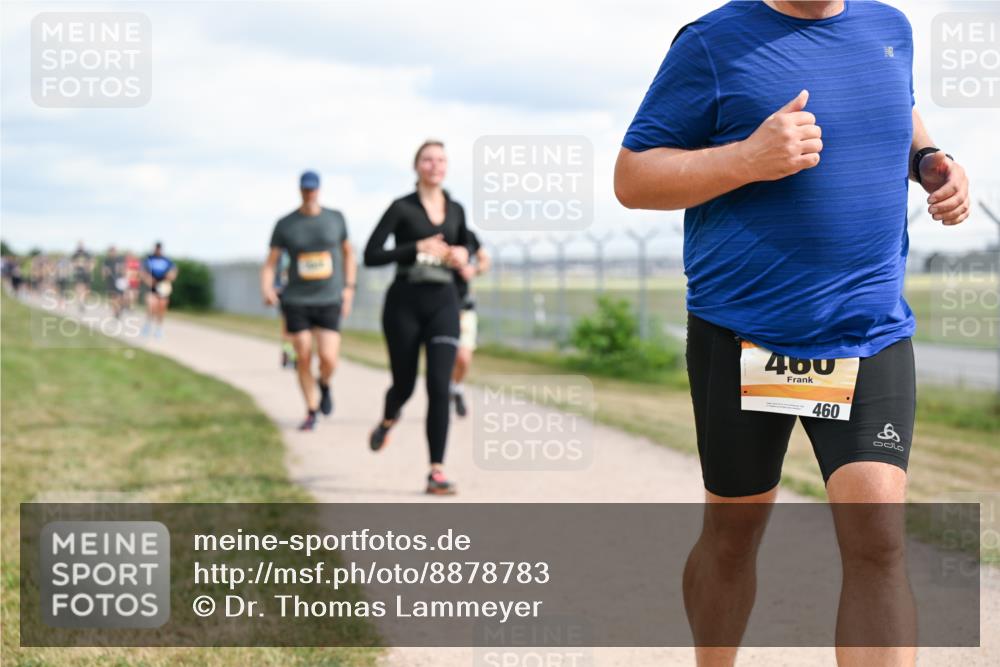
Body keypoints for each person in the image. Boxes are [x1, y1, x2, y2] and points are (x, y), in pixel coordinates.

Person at [615, 2, 970, 666]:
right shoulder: (712, 44)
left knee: (879, 541)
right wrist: (749, 158)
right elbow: (633, 178)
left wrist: (929, 160)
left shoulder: (890, 28)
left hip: (869, 330)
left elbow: (901, 111)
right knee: (733, 535)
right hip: (747, 333)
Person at [364, 140, 473, 495]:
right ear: (417, 166)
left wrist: (461, 253)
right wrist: (416, 248)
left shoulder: (455, 209)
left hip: (443, 303)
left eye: (441, 159)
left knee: (439, 387)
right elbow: (372, 254)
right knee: (405, 384)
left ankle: (436, 471)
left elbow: (467, 246)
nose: (435, 165)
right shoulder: (401, 208)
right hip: (404, 303)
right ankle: (387, 420)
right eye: (428, 159)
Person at [261, 171, 356, 431]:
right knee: (302, 355)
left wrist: (349, 288)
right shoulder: (286, 224)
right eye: (305, 189)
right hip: (297, 299)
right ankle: (311, 409)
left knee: (328, 358)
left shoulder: (335, 219)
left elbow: (349, 254)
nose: (309, 193)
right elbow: (270, 263)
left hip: (328, 298)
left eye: (312, 189)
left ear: (319, 189)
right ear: (299, 190)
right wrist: (267, 287)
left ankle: (324, 384)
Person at [450, 230, 490, 417]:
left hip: (465, 307)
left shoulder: (468, 236)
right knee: (445, 358)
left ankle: (456, 388)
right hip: (440, 307)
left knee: (463, 358)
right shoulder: (431, 235)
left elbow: (484, 260)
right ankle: (444, 396)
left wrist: (474, 269)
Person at [141, 242, 178, 338]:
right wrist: (147, 279)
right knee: (151, 306)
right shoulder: (149, 259)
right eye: (156, 249)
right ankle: (147, 325)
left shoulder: (167, 260)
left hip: (163, 286)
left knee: (161, 308)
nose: (158, 251)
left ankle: (159, 328)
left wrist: (170, 277)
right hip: (152, 286)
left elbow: (174, 271)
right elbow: (142, 272)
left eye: (159, 249)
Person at [102, 245, 126, 318]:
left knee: (120, 297)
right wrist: (106, 272)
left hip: (119, 281)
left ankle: (120, 307)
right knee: (113, 298)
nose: (113, 253)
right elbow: (103, 273)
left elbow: (124, 270)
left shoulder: (120, 259)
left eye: (114, 251)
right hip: (111, 281)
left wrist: (122, 273)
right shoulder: (107, 261)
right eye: (111, 251)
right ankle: (116, 312)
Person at [70, 241, 93, 311]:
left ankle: (83, 300)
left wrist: (89, 267)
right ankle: (81, 301)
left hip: (86, 274)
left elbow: (91, 262)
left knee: (87, 289)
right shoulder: (75, 254)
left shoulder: (87, 254)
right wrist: (77, 265)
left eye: (81, 245)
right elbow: (72, 263)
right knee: (79, 287)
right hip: (78, 273)